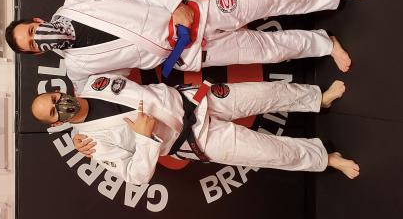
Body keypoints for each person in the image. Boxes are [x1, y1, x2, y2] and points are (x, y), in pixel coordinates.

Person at [6, 0, 366, 91]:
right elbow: (93, 97)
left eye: (31, 32)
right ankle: (324, 43)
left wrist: (177, 4)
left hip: (192, 11)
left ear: (36, 21)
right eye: (31, 45)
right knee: (269, 51)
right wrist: (82, 133)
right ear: (36, 53)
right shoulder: (77, 67)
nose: (37, 38)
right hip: (186, 53)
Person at [31, 74, 360, 185]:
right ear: (57, 123)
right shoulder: (90, 141)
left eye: (55, 98)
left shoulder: (92, 81)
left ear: (59, 91)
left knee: (266, 93)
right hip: (193, 140)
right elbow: (136, 175)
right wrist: (144, 139)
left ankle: (318, 98)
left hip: (193, 99)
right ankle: (326, 159)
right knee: (270, 152)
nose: (61, 104)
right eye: (55, 111)